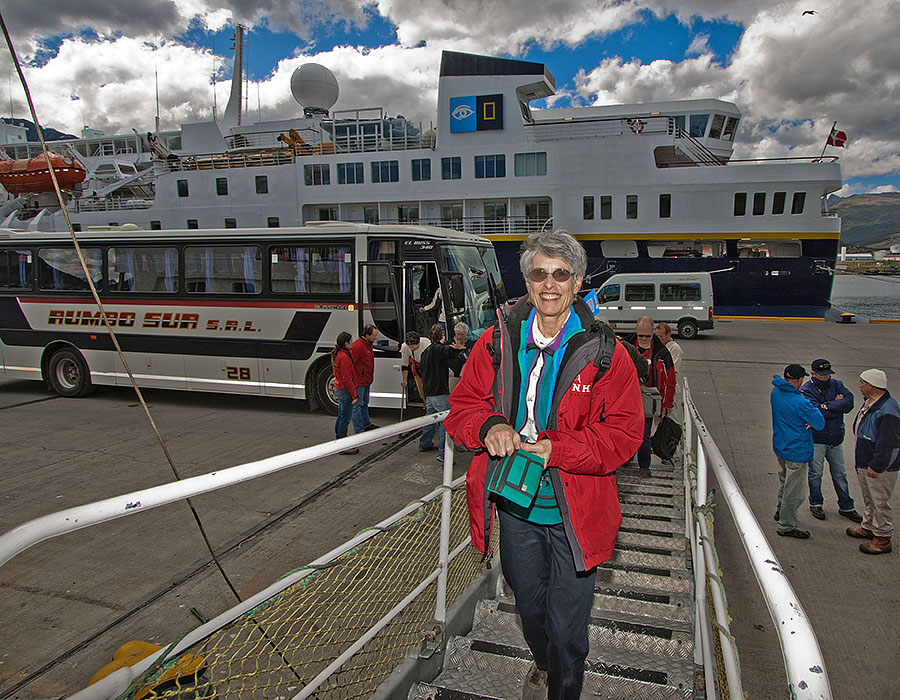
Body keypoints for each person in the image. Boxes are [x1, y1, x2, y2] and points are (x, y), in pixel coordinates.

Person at [444, 228, 643, 700]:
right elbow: (462, 407)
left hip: (576, 512)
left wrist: (560, 450)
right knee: (530, 609)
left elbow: (626, 434)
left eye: (561, 274)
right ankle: (546, 661)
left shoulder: (607, 354)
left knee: (567, 625)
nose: (549, 283)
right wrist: (490, 425)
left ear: (577, 283)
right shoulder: (495, 341)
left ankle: (564, 682)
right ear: (527, 282)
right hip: (516, 506)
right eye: (539, 273)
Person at [800, 358, 861, 522]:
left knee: (840, 473)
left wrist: (827, 406)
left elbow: (849, 403)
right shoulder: (807, 390)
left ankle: (847, 506)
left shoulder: (837, 384)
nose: (826, 377)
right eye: (822, 374)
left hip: (835, 438)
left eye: (827, 374)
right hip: (817, 439)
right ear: (813, 374)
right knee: (816, 474)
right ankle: (816, 503)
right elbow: (814, 413)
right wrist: (835, 403)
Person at [847, 368, 900, 555]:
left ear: (871, 385)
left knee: (880, 501)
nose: (860, 386)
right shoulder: (871, 403)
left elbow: (890, 444)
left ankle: (883, 538)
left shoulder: (888, 410)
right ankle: (869, 527)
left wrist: (877, 466)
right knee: (870, 499)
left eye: (862, 382)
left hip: (878, 467)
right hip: (865, 462)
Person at [770, 364, 825, 538]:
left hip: (781, 445)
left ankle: (780, 510)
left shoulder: (776, 393)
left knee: (784, 481)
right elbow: (819, 423)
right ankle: (786, 524)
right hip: (797, 450)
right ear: (799, 380)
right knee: (795, 491)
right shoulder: (801, 402)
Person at [624, 316, 676, 478]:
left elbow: (670, 380)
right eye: (641, 336)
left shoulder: (662, 352)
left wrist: (667, 404)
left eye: (648, 336)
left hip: (648, 400)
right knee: (625, 431)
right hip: (626, 398)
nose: (644, 339)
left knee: (644, 435)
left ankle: (644, 465)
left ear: (653, 333)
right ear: (636, 333)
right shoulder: (625, 346)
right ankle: (625, 458)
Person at [418, 324, 465, 459]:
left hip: (429, 391)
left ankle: (425, 443)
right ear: (442, 336)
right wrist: (457, 348)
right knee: (446, 421)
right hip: (439, 391)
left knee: (430, 419)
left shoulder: (425, 352)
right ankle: (443, 453)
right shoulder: (439, 349)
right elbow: (447, 351)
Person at [331, 331, 359, 455]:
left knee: (341, 415)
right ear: (346, 343)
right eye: (351, 341)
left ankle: (338, 440)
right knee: (345, 418)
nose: (352, 343)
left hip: (339, 388)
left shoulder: (337, 355)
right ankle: (342, 445)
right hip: (345, 390)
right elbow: (347, 378)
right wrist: (354, 395)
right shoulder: (344, 358)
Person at [350, 324, 379, 432]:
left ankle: (365, 424)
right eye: (373, 335)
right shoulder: (358, 346)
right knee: (358, 405)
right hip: (360, 380)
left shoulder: (367, 344)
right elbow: (351, 363)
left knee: (364, 403)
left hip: (365, 379)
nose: (375, 338)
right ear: (366, 335)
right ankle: (359, 428)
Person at [401, 331, 431, 405]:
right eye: (410, 346)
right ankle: (425, 402)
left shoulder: (427, 343)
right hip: (416, 366)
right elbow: (405, 364)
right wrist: (404, 380)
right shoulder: (405, 347)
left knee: (429, 386)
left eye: (414, 346)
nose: (412, 348)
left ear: (419, 342)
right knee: (420, 388)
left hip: (428, 365)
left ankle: (430, 403)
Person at [448, 321, 474, 391]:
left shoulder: (471, 344)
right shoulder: (449, 344)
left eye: (462, 335)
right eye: (457, 334)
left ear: (466, 334)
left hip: (467, 377)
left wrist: (463, 348)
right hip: (453, 376)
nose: (459, 337)